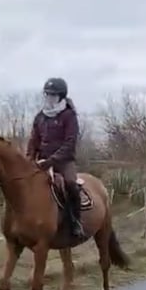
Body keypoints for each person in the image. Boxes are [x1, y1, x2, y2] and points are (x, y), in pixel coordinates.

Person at [26, 77, 84, 238]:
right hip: (42, 161)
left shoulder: (69, 115)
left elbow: (70, 142)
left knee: (71, 183)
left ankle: (75, 222)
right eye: (47, 95)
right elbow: (33, 141)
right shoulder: (40, 117)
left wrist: (51, 161)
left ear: (61, 96)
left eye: (53, 95)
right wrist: (29, 159)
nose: (49, 98)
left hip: (64, 161)